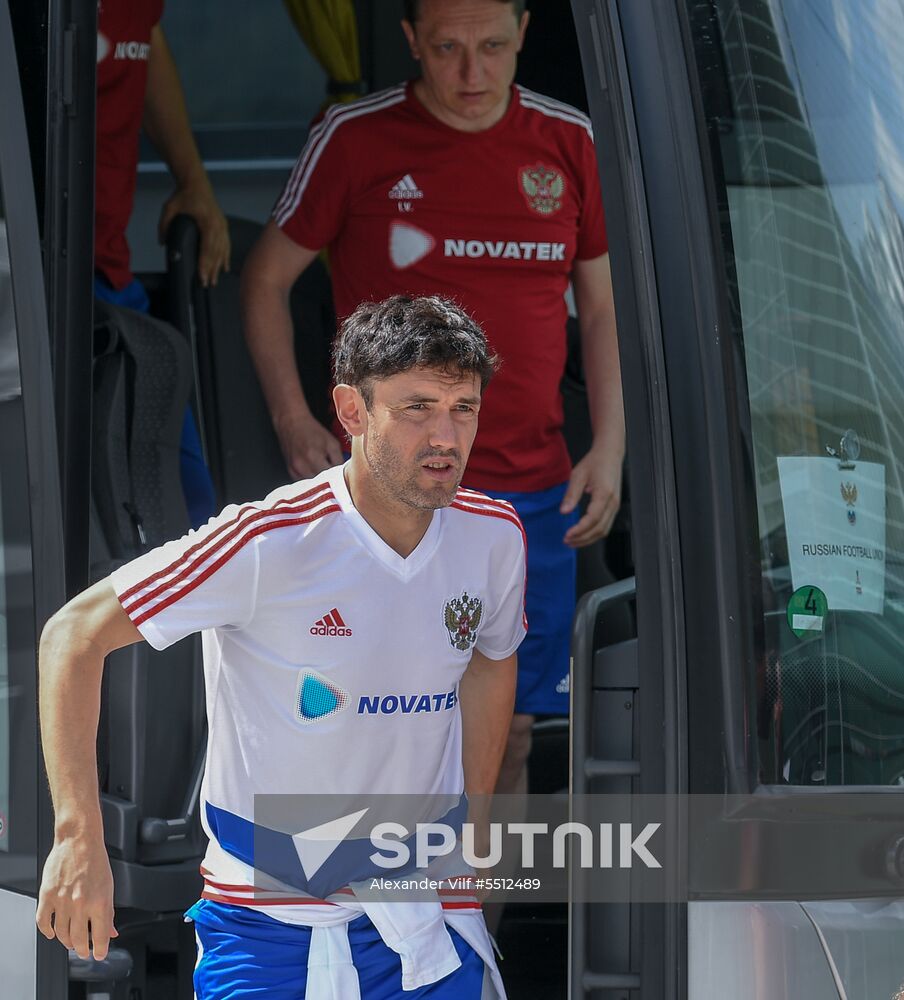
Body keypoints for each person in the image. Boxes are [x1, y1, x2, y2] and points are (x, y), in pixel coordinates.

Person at [36, 294, 525, 998]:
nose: (445, 436)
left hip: (422, 913)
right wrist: (78, 837)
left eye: (463, 408)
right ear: (352, 412)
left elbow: (489, 660)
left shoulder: (493, 537)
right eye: (416, 408)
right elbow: (72, 635)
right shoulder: (268, 541)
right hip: (268, 928)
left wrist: (474, 826)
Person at [241, 0, 624, 800]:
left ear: (525, 31)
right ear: (412, 40)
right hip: (390, 501)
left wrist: (611, 442)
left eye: (491, 46)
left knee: (505, 738)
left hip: (527, 496)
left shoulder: (570, 141)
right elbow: (266, 279)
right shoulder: (356, 138)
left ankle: (468, 926)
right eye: (448, 48)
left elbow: (604, 308)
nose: (471, 73)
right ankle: (366, 922)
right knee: (373, 728)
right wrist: (291, 418)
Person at [95, 1, 230, 525]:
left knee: (186, 502)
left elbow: (144, 40)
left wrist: (191, 178)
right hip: (31, 283)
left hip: (108, 272)